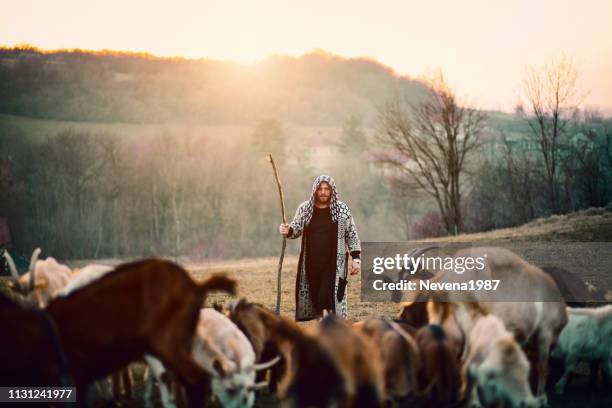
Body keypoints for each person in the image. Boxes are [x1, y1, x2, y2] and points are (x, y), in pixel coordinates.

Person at [279, 175, 361, 321]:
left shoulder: (342, 210)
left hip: (334, 265)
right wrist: (287, 230)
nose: (323, 192)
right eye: (320, 189)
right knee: (317, 302)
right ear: (315, 191)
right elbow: (296, 229)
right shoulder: (305, 209)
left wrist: (356, 259)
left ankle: (331, 330)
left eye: (327, 189)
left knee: (327, 301)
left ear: (332, 191)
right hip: (311, 265)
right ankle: (325, 331)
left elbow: (352, 234)